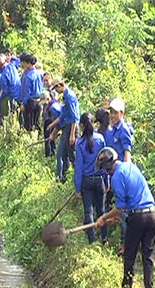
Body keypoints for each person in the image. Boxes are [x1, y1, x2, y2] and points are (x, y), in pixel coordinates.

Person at [95, 147, 155, 288]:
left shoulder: (116, 177)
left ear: (107, 167)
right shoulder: (130, 166)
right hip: (151, 215)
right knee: (148, 257)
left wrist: (104, 217)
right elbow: (130, 200)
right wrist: (113, 217)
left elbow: (121, 207)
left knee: (129, 254)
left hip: (137, 218)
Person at [74, 113, 108, 244]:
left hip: (86, 180)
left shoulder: (80, 143)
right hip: (99, 179)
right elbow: (106, 161)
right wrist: (107, 180)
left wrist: (77, 187)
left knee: (88, 211)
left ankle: (92, 241)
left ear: (81, 126)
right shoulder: (100, 139)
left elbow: (79, 167)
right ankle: (104, 239)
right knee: (102, 210)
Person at [107, 98, 134, 256]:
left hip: (122, 173)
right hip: (114, 173)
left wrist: (126, 173)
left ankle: (126, 245)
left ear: (122, 114)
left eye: (116, 113)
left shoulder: (123, 129)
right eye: (111, 112)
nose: (113, 115)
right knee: (119, 209)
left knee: (124, 211)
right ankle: (123, 242)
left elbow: (127, 152)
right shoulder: (113, 129)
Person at [47, 77, 80, 183]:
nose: (56, 91)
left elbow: (74, 117)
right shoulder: (65, 96)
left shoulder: (69, 96)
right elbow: (63, 115)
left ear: (60, 86)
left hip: (71, 127)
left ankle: (77, 178)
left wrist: (72, 135)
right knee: (64, 154)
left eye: (56, 88)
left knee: (72, 154)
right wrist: (53, 127)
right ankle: (63, 178)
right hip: (67, 127)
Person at [0, 54, 21, 124]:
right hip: (20, 94)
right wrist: (11, 57)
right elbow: (18, 60)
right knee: (19, 114)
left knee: (11, 114)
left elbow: (4, 91)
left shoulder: (2, 76)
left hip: (12, 96)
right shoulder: (12, 65)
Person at [20, 53, 44, 132]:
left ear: (28, 63)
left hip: (30, 102)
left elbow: (27, 91)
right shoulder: (39, 73)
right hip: (39, 100)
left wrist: (23, 103)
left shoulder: (28, 76)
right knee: (37, 122)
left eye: (24, 62)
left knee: (29, 124)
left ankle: (30, 138)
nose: (22, 64)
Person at [42, 90, 61, 157]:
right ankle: (51, 154)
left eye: (45, 102)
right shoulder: (54, 103)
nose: (44, 104)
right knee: (51, 139)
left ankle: (50, 154)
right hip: (53, 123)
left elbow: (60, 117)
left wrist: (57, 129)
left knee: (49, 139)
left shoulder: (53, 107)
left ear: (48, 99)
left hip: (52, 122)